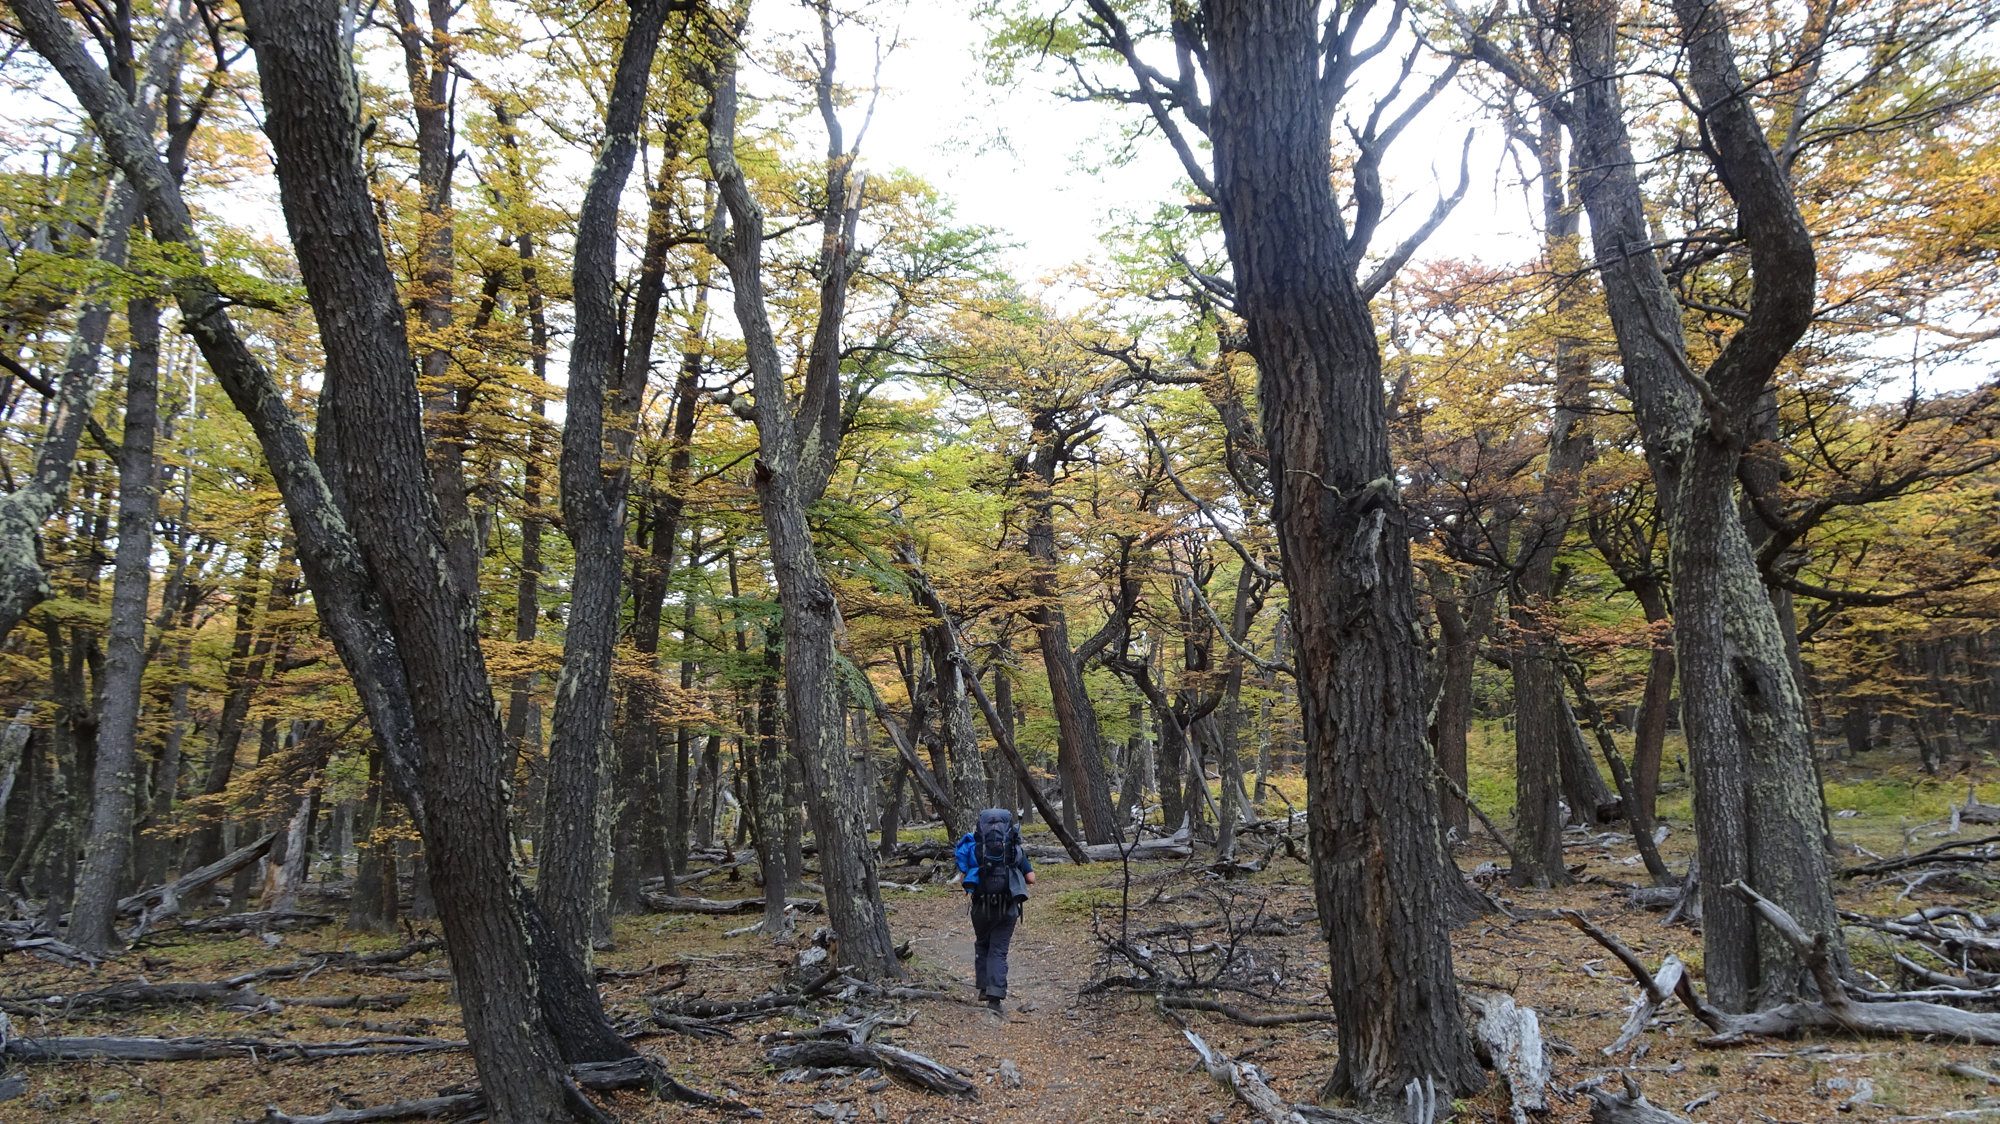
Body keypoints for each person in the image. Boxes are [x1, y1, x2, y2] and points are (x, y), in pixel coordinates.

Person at [953, 807, 1035, 1014]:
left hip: (980, 907)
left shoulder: (975, 849)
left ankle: (983, 987)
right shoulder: (1015, 850)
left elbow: (964, 877)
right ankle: (995, 997)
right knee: (998, 950)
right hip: (1007, 907)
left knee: (982, 944)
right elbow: (1031, 879)